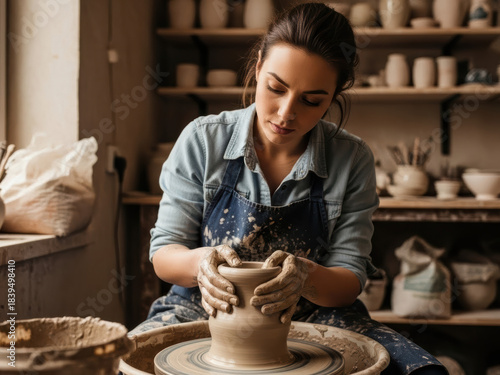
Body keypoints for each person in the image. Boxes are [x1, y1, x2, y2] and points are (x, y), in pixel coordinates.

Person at [130, 3, 446, 374]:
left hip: (317, 313)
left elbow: (348, 280)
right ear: (259, 65)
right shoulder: (203, 140)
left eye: (312, 100)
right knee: (121, 363)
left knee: (421, 371)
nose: (285, 113)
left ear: (335, 95)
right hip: (205, 304)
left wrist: (305, 277)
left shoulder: (351, 158)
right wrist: (201, 263)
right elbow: (164, 253)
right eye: (276, 88)